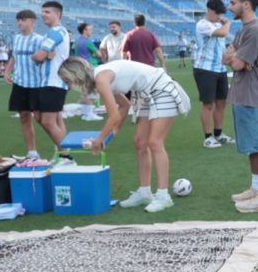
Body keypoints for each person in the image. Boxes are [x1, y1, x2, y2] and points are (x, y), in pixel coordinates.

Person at [57, 55, 190, 213]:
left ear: (76, 75)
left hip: (161, 88)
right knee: (140, 143)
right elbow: (124, 105)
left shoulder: (101, 78)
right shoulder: (101, 77)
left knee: (155, 142)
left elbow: (114, 115)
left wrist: (99, 140)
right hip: (145, 93)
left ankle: (163, 196)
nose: (68, 86)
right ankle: (144, 192)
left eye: (67, 81)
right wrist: (111, 133)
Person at [222, 0, 258, 213]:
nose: (230, 7)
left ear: (246, 4)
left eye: (233, 2)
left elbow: (235, 63)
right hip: (243, 93)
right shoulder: (243, 29)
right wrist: (235, 58)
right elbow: (227, 58)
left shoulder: (255, 30)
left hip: (253, 94)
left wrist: (235, 58)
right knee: (252, 146)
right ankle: (256, 188)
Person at [7, 8, 58, 157]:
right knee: (24, 117)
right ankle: (32, 152)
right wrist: (7, 71)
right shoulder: (16, 38)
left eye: (23, 20)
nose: (20, 23)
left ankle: (59, 145)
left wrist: (47, 55)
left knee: (42, 119)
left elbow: (51, 55)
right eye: (18, 20)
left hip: (37, 84)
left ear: (33, 21)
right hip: (20, 83)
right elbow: (14, 56)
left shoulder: (40, 39)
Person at [193, 0, 231, 148]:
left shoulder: (218, 24)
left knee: (222, 103)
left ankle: (218, 134)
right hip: (205, 69)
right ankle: (208, 137)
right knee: (208, 104)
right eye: (217, 13)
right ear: (209, 10)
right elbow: (223, 33)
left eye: (221, 14)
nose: (219, 17)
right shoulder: (202, 24)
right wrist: (227, 23)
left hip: (220, 69)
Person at [34, 1, 73, 147]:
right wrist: (42, 55)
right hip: (48, 82)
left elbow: (39, 57)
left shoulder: (56, 32)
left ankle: (66, 155)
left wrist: (35, 56)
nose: (43, 15)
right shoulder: (53, 32)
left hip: (53, 81)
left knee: (47, 121)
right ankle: (63, 152)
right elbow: (43, 56)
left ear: (57, 14)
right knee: (48, 118)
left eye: (47, 12)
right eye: (42, 12)